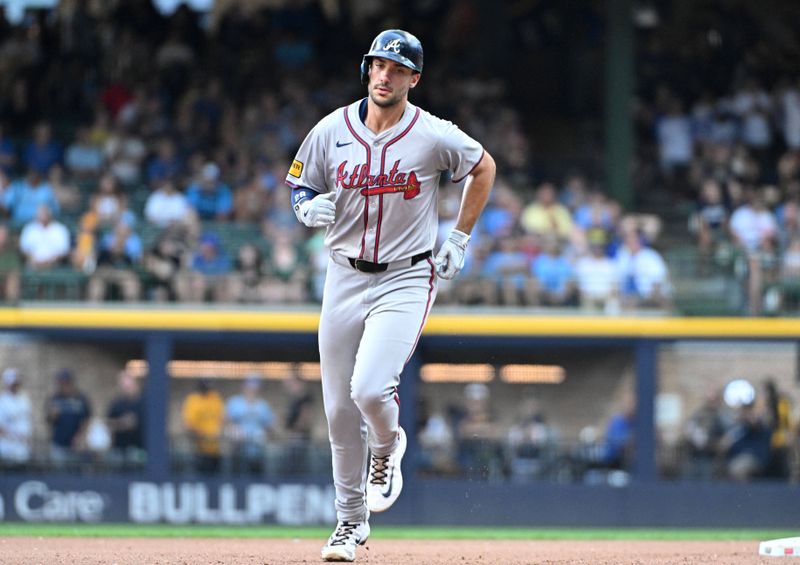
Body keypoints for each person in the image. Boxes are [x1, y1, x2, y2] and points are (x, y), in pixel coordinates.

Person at [286, 29, 495, 562]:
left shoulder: (432, 134)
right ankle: (349, 524)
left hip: (406, 276)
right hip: (343, 273)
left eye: (397, 69)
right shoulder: (332, 129)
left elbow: (483, 166)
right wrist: (306, 207)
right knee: (336, 408)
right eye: (379, 65)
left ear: (413, 79)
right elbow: (298, 181)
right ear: (367, 69)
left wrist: (460, 236)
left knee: (371, 390)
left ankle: (388, 444)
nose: (385, 75)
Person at [224, 375, 274, 475]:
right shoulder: (234, 402)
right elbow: (226, 422)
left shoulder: (263, 405)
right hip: (237, 452)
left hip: (257, 454)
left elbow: (270, 428)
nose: (252, 390)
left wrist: (263, 435)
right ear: (244, 387)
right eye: (250, 387)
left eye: (255, 387)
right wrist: (234, 431)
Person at [45, 369, 91, 467]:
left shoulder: (80, 398)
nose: (63, 386)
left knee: (75, 472)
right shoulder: (54, 399)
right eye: (60, 383)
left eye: (65, 383)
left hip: (76, 445)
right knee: (59, 473)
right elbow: (48, 421)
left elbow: (86, 419)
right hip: (59, 444)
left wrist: (81, 436)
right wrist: (53, 415)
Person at [181, 379, 225, 474]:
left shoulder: (215, 398)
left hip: (215, 449)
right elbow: (188, 425)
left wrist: (218, 433)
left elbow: (222, 420)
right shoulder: (193, 400)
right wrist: (204, 435)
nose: (207, 391)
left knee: (216, 478)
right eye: (205, 388)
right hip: (198, 449)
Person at [106, 368, 145, 469]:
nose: (126, 387)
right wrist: (121, 423)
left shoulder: (144, 403)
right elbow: (108, 423)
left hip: (141, 449)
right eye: (123, 384)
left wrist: (133, 423)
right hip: (120, 449)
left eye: (128, 384)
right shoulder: (116, 404)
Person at [0, 368, 32, 468]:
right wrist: (15, 435)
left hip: (23, 449)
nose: (15, 386)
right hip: (8, 450)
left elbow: (27, 420)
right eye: (13, 383)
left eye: (17, 383)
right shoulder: (2, 401)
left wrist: (27, 437)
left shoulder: (24, 398)